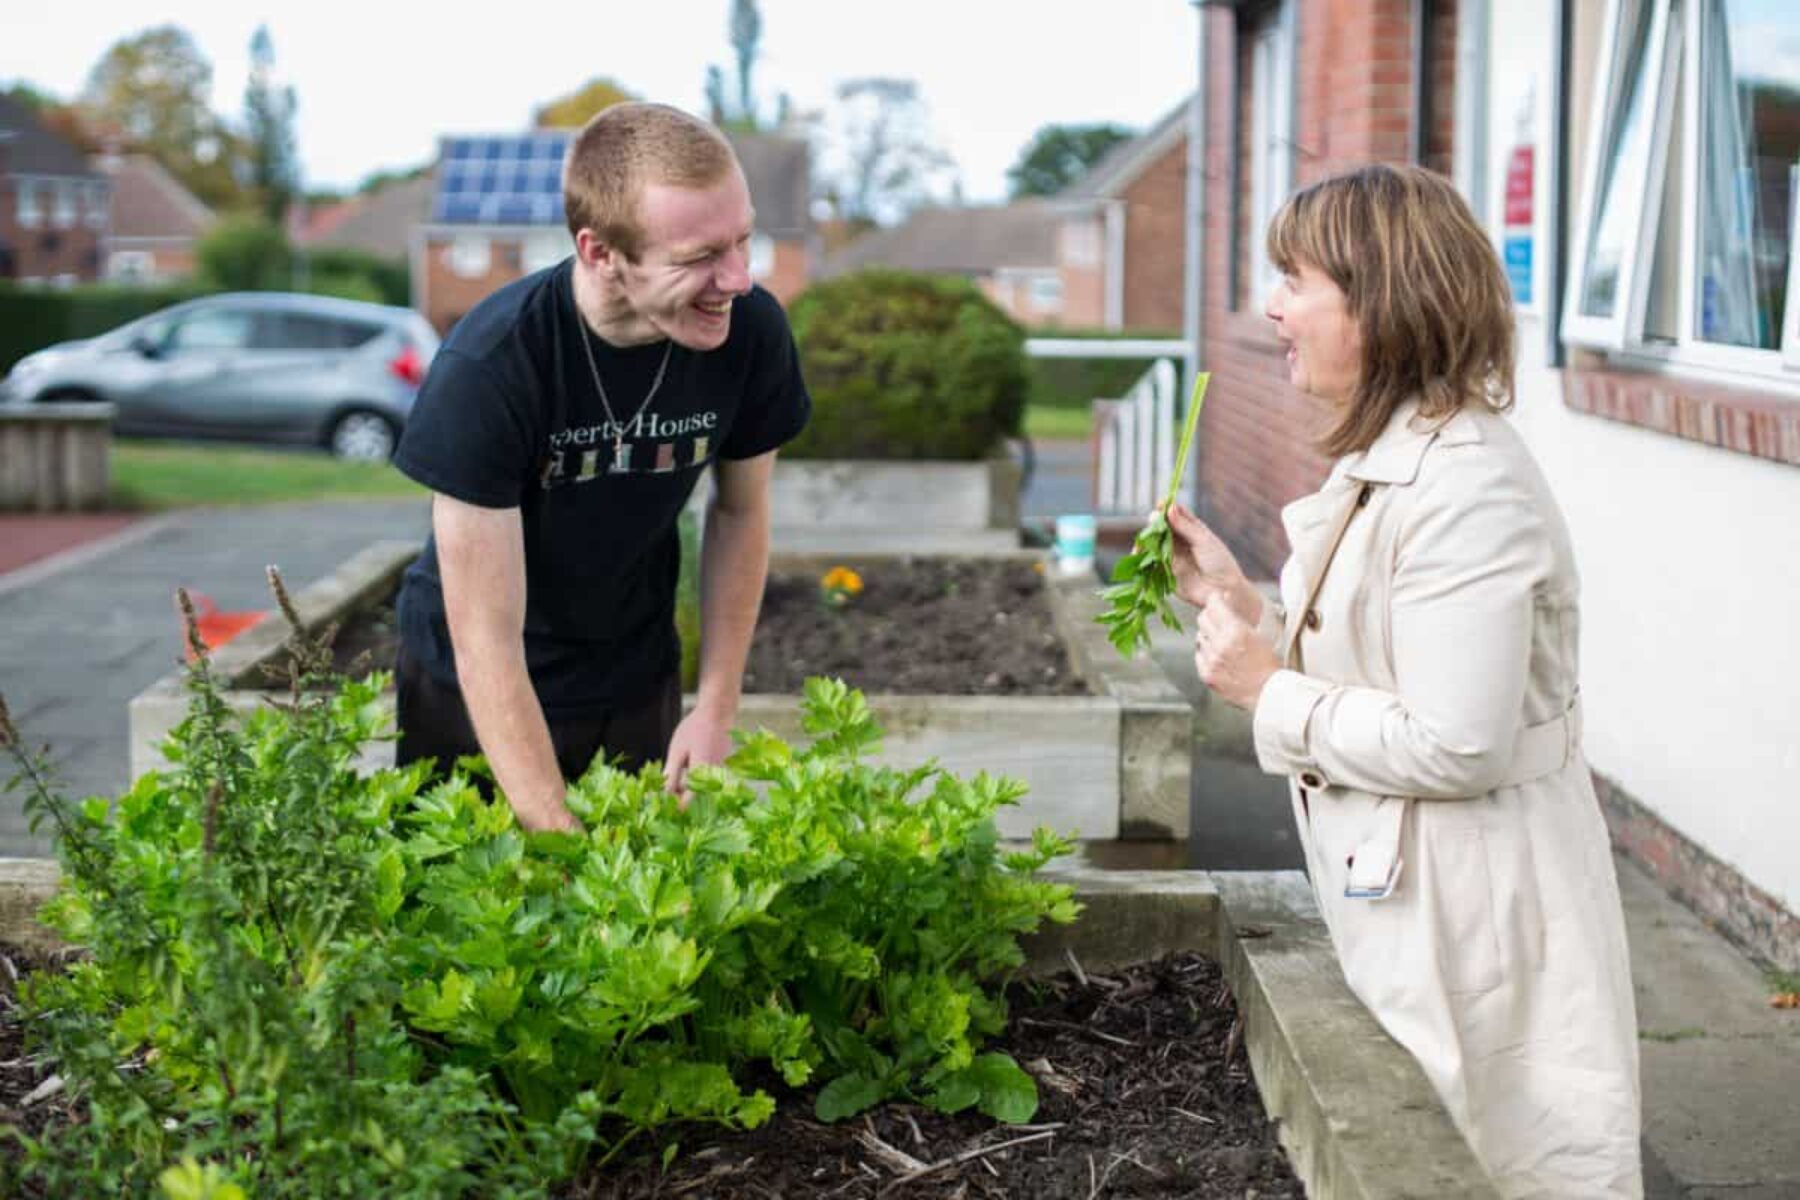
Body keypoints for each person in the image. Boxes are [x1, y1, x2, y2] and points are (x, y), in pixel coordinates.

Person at [1166, 164, 1640, 1197]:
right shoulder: (1401, 451)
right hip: (1421, 884)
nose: (1272, 306)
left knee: (1501, 1160)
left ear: (1381, 303)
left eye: (1295, 279)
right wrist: (1248, 612)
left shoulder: (1465, 487)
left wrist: (1266, 691)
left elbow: (1454, 741)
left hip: (1480, 903)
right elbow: (1385, 654)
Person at [390, 102, 810, 831]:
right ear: (599, 253)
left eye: (742, 241)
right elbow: (483, 636)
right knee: (485, 920)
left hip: (633, 670)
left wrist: (714, 708)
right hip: (470, 691)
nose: (738, 278)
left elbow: (741, 513)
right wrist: (554, 831)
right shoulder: (492, 367)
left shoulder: (751, 333)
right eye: (698, 258)